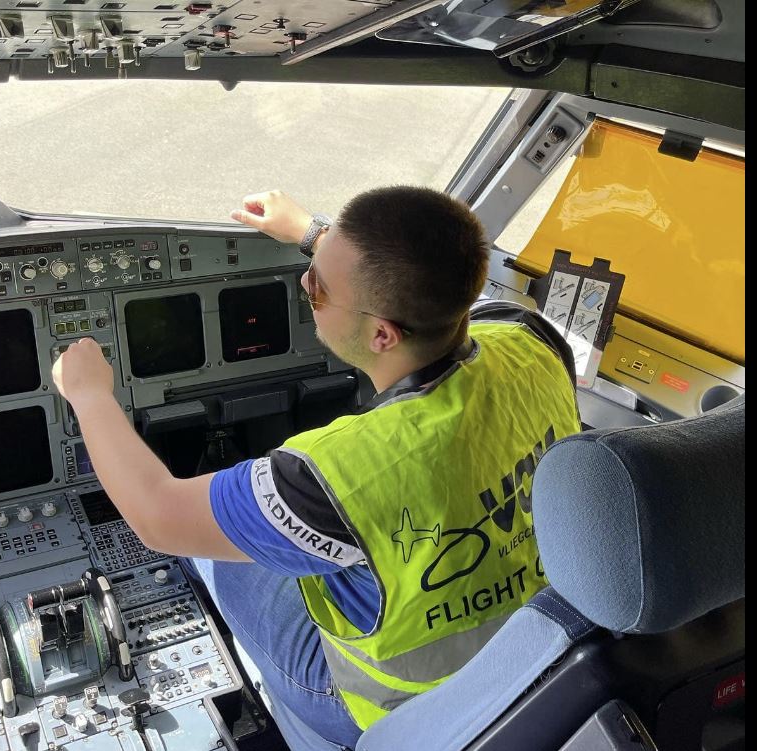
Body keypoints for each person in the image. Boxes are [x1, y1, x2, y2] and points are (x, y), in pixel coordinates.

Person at [52, 187, 581, 750]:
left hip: (394, 701)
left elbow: (158, 515)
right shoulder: (531, 340)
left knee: (212, 550)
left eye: (317, 287)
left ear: (382, 335)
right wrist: (312, 234)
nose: (305, 284)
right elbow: (426, 271)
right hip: (530, 650)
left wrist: (89, 394)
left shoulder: (339, 473)